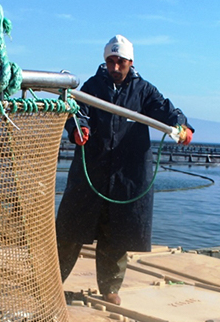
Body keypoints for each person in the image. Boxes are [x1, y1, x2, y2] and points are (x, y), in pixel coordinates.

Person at [55, 35, 194, 306]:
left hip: (127, 174)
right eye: (110, 61)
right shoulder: (92, 87)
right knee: (70, 231)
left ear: (131, 62)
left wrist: (182, 126)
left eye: (121, 62)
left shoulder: (144, 91)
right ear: (105, 61)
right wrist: (77, 129)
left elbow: (167, 111)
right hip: (91, 172)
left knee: (116, 234)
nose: (115, 67)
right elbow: (77, 111)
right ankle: (53, 283)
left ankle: (109, 288)